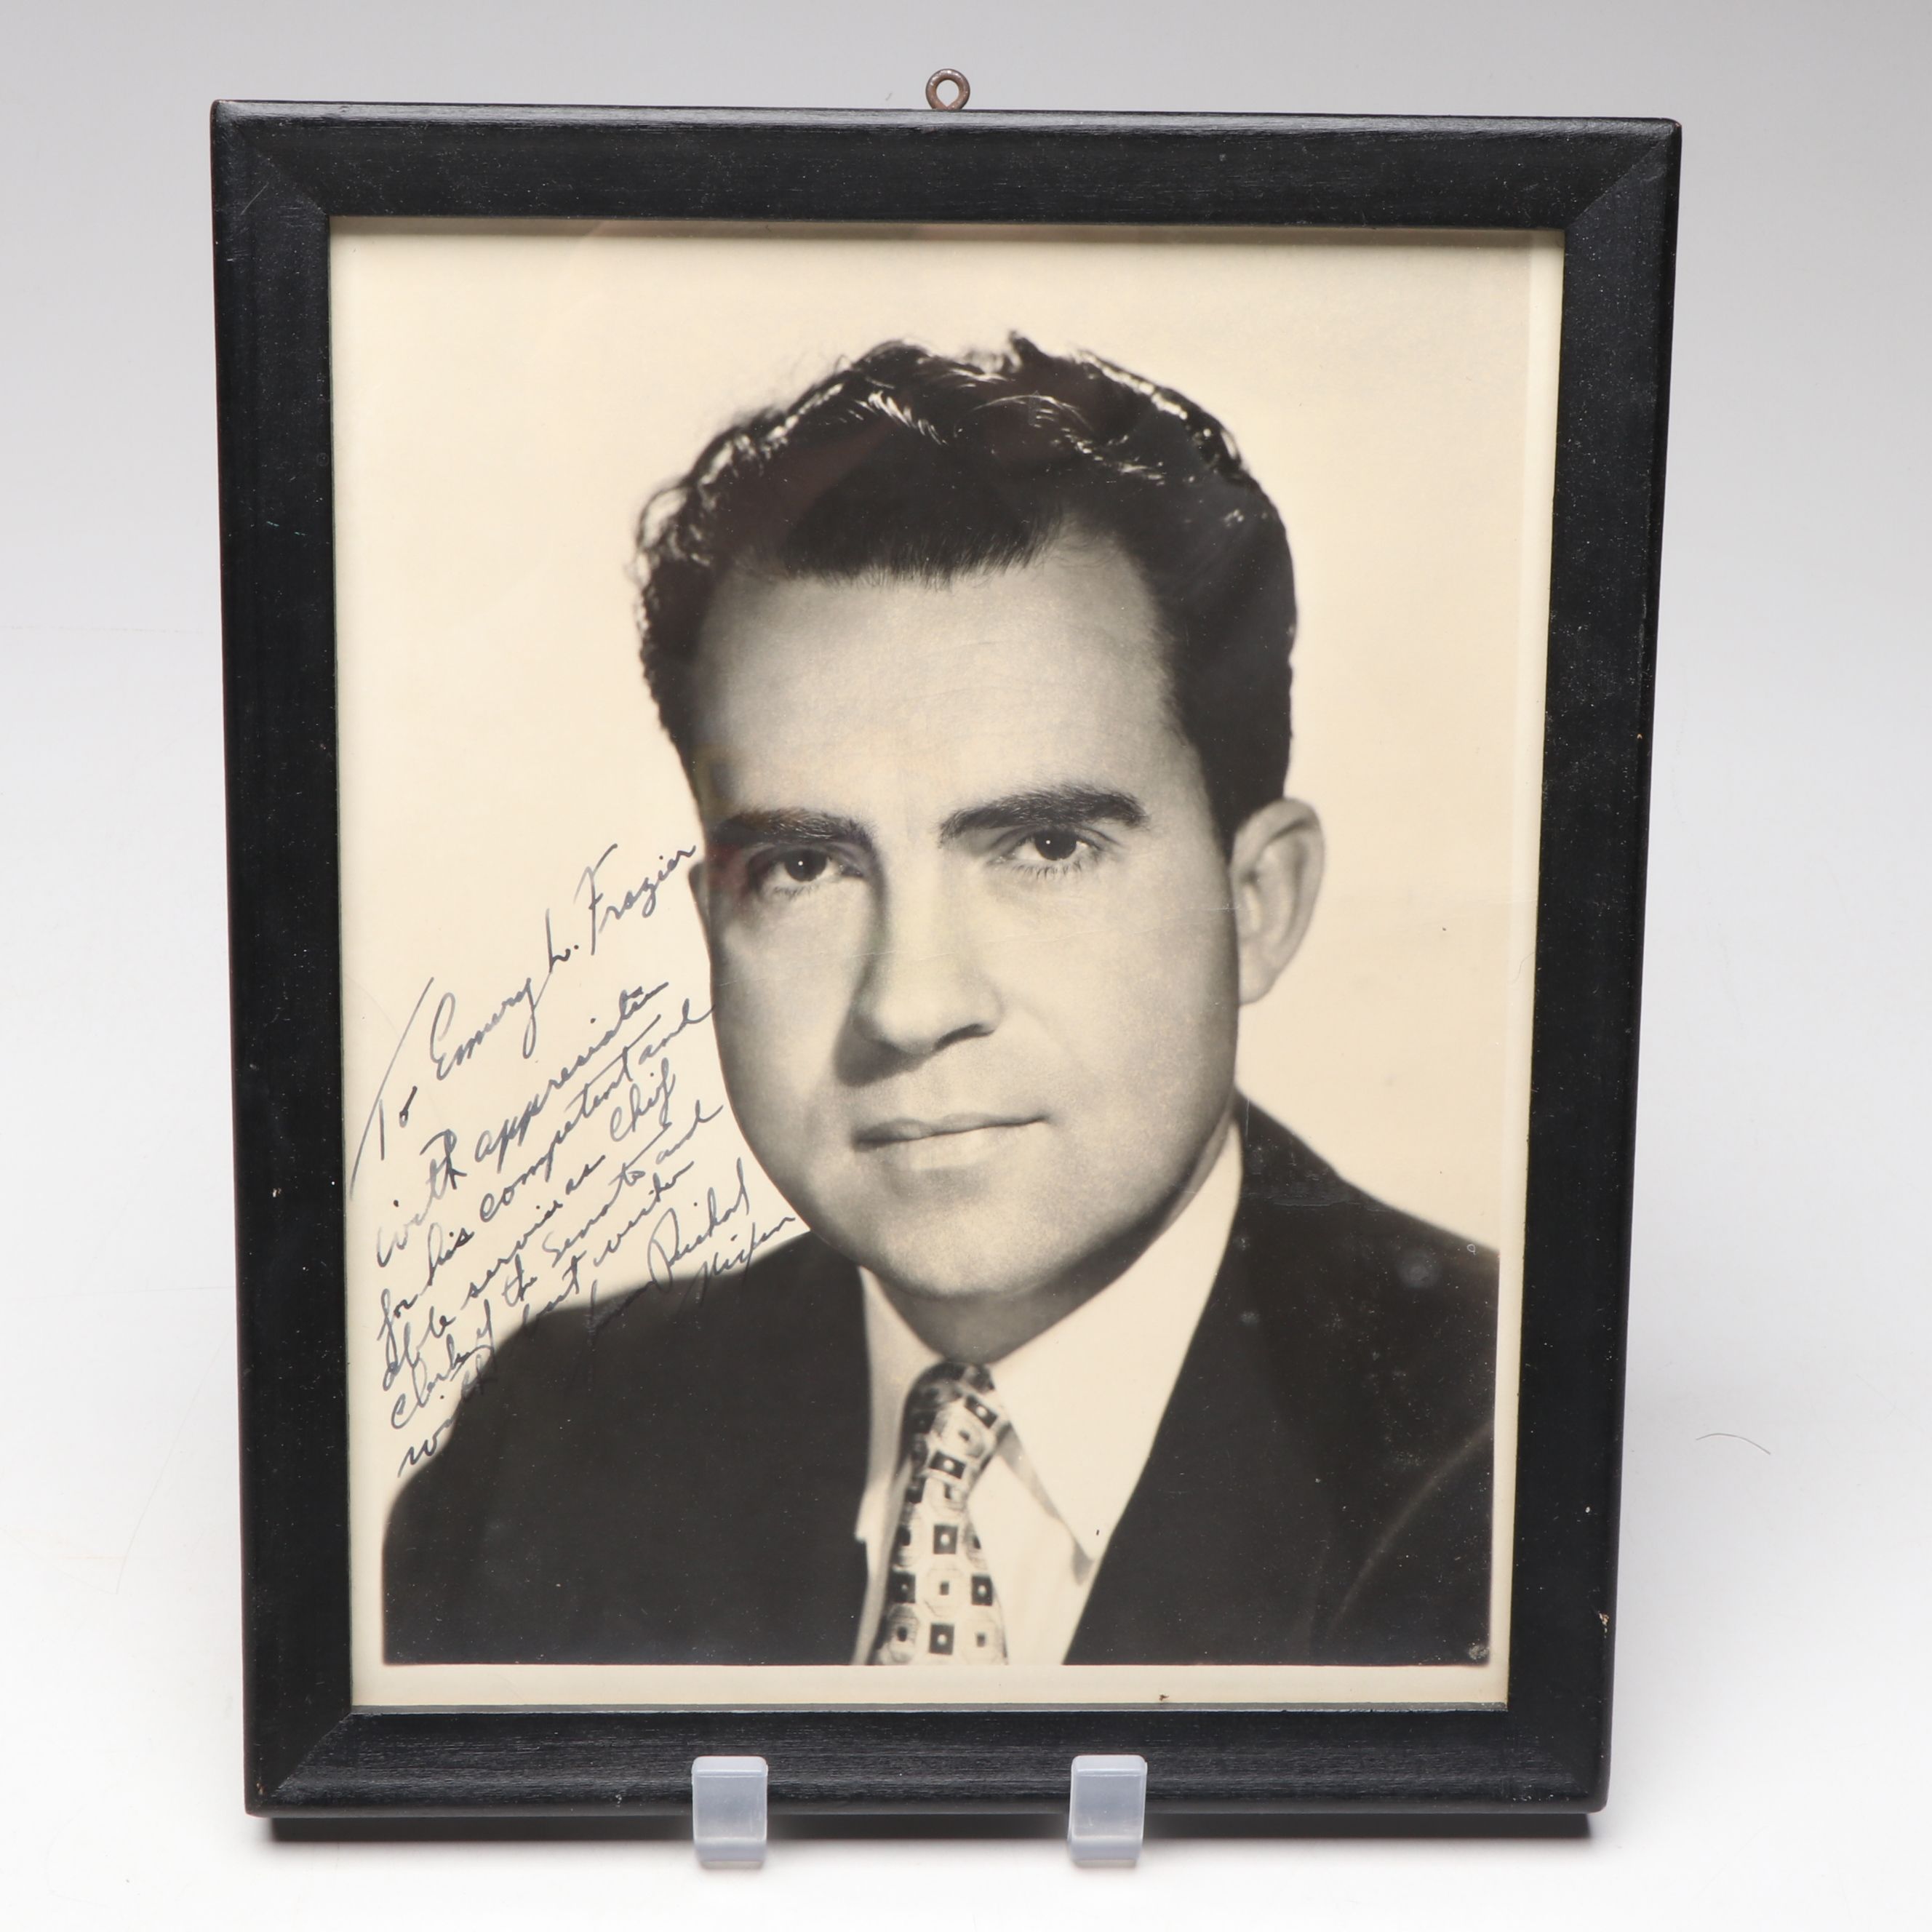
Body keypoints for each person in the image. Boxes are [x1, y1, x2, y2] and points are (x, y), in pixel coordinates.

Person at [384, 338, 1497, 1669]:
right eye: (805, 867)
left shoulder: (1493, 1445)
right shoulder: (546, 1446)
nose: (909, 1007)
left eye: (1044, 850)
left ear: (1256, 903)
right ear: (714, 924)